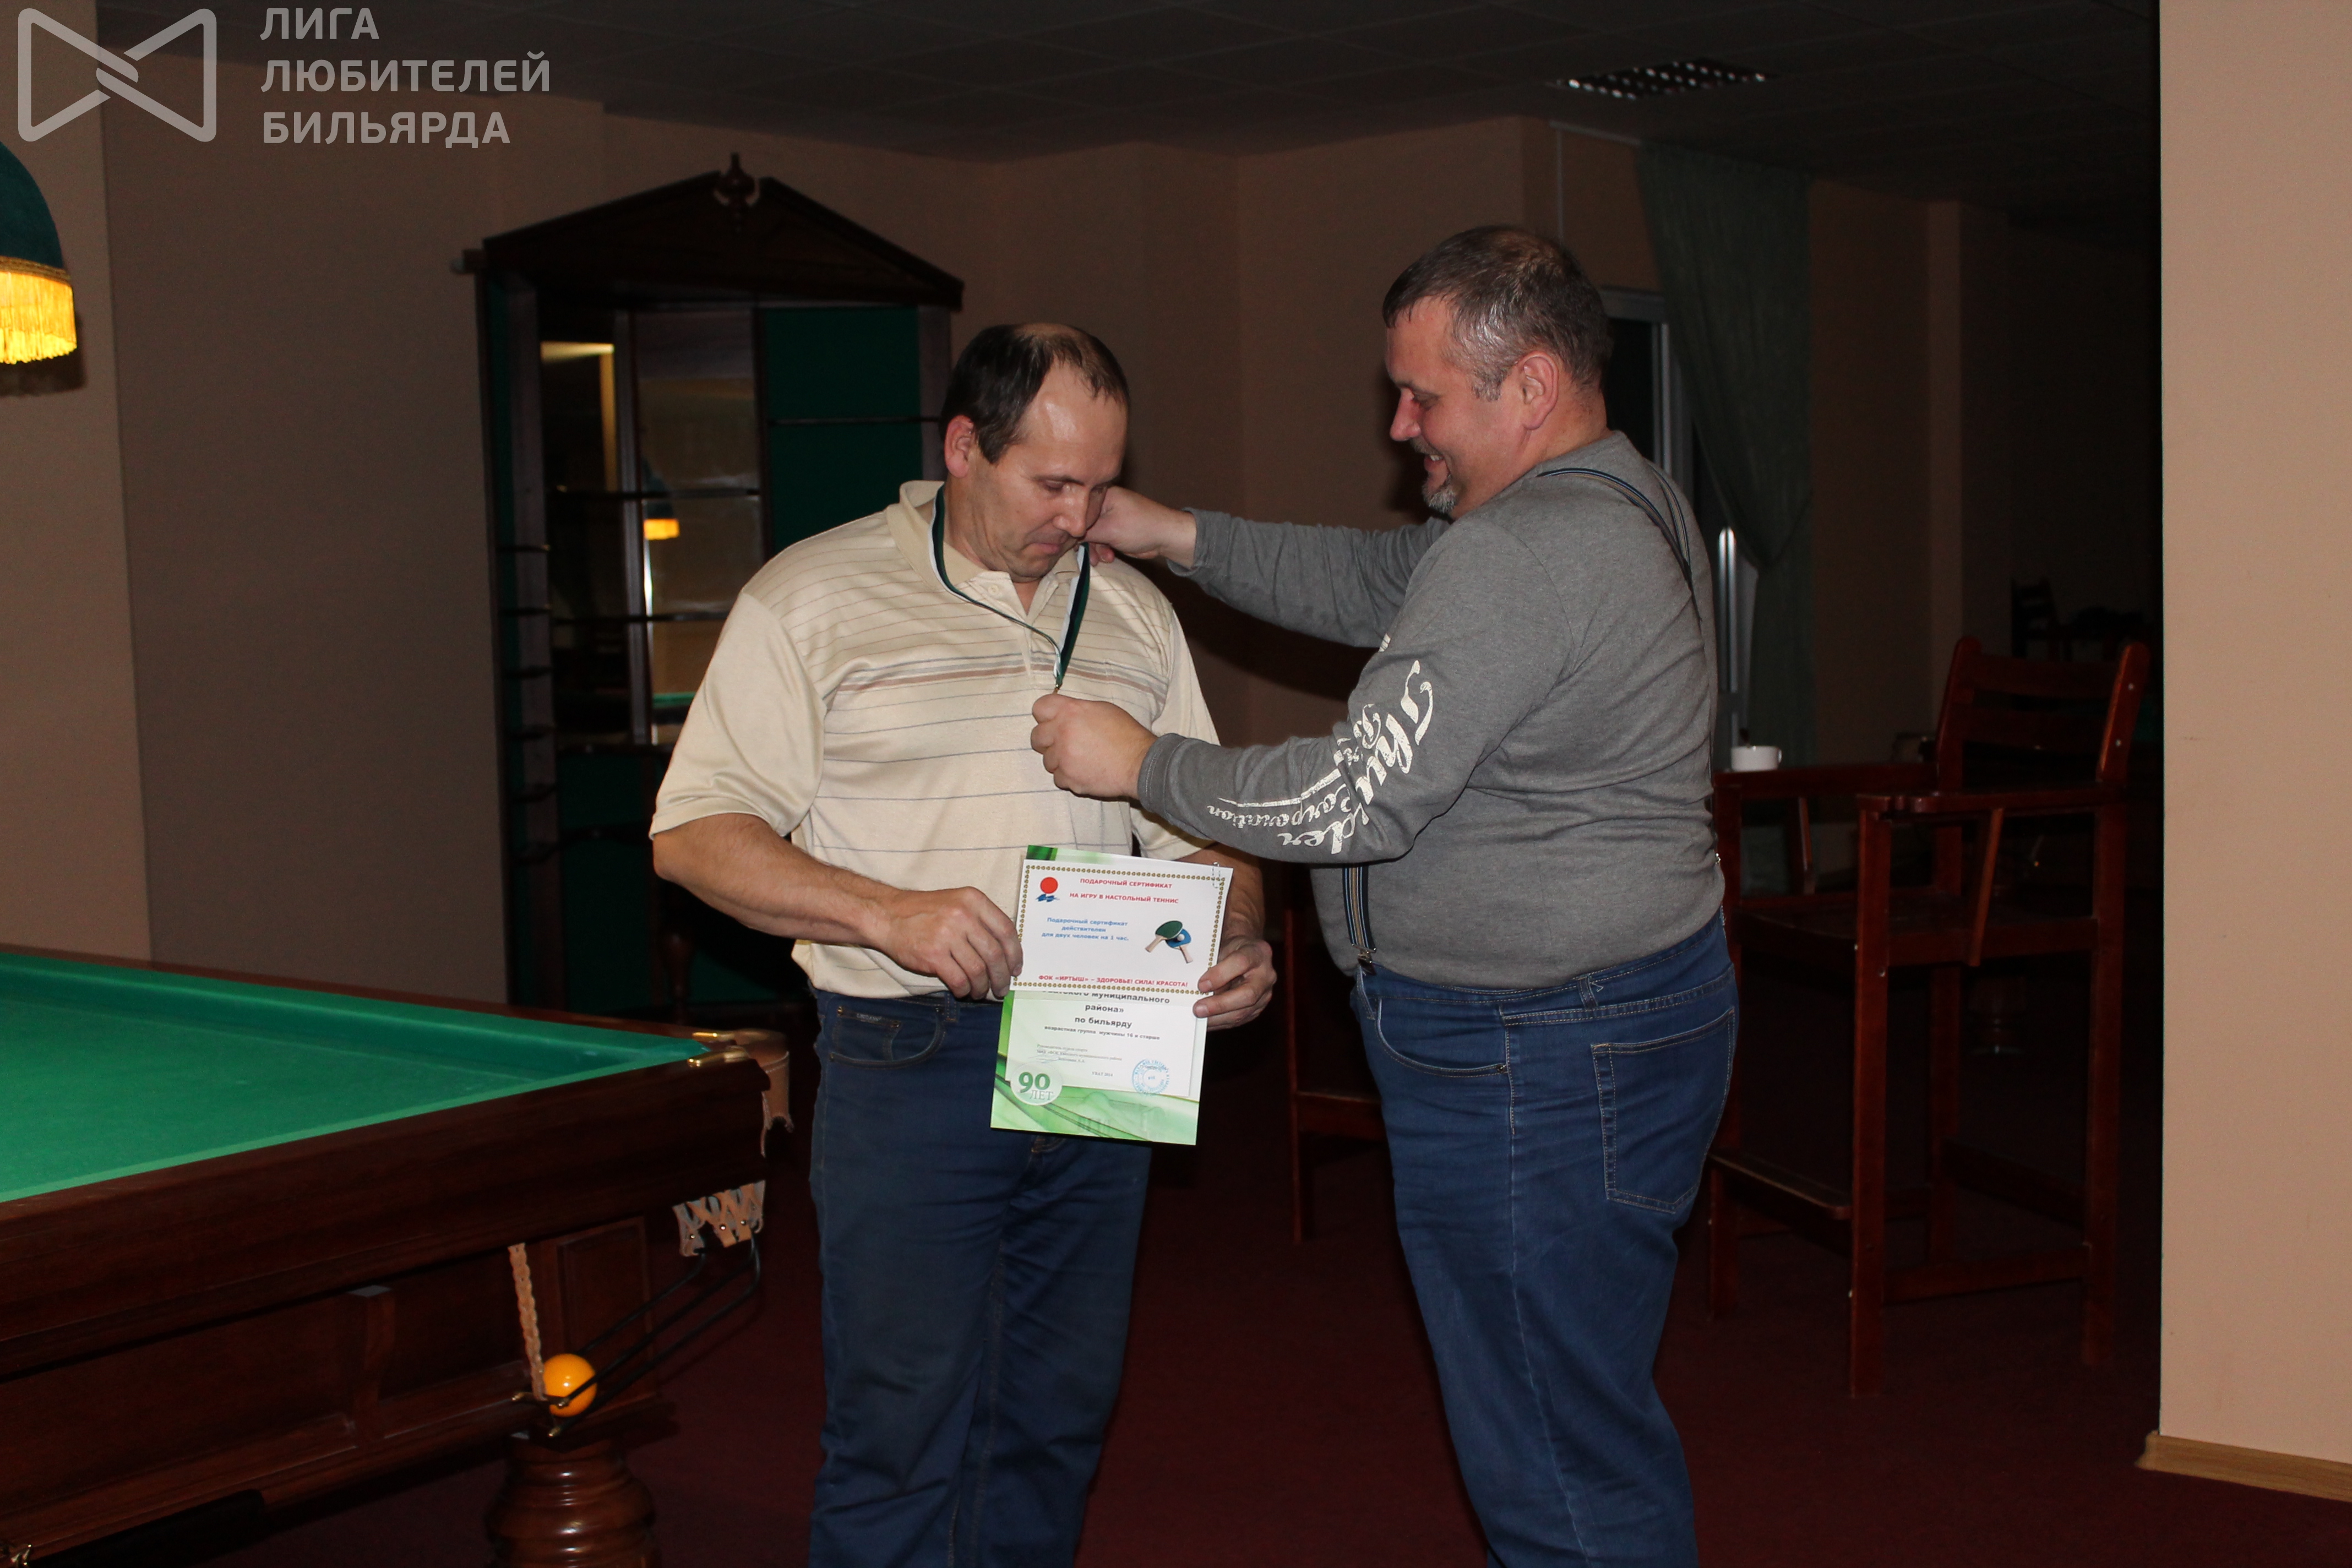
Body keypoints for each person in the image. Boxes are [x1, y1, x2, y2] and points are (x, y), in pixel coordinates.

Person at [1030, 228, 1729, 1568]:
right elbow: (1376, 581)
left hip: (1535, 1052)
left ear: (1531, 385)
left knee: (1555, 1451)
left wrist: (1143, 763)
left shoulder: (1528, 553)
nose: (1400, 424)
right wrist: (1169, 533)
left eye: (1423, 396)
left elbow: (1352, 800)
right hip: (1627, 1016)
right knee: (1582, 1400)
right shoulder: (1616, 495)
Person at [649, 323, 1273, 1568]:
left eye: (1103, 484)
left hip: (1102, 1041)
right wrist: (888, 912)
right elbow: (692, 836)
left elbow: (1206, 825)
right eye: (1053, 483)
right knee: (900, 1425)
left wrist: (1240, 930)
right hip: (908, 1052)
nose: (1082, 516)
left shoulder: (1134, 610)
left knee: (1057, 1416)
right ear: (962, 450)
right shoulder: (811, 597)